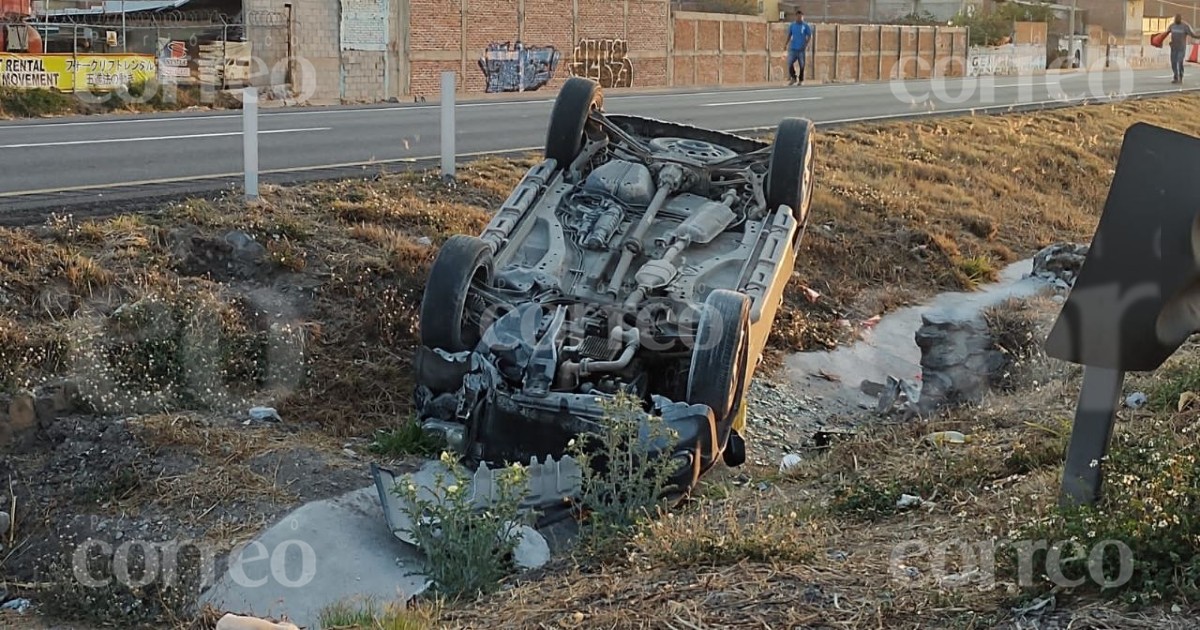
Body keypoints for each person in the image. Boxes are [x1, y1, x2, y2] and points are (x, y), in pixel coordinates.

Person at [1164, 14, 1199, 83]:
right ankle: (1175, 77)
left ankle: (1181, 76)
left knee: (1179, 61)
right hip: (1173, 47)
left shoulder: (1185, 26)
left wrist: (1198, 37)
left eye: (1178, 18)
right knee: (1173, 62)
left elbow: (1192, 35)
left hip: (1181, 48)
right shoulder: (1172, 26)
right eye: (1175, 19)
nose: (1176, 20)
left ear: (1181, 19)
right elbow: (1166, 34)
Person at [786, 10, 813, 86]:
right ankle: (793, 77)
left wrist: (806, 44)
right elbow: (789, 35)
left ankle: (801, 80)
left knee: (802, 65)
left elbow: (810, 35)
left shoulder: (805, 26)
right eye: (798, 16)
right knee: (789, 62)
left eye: (801, 17)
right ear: (796, 17)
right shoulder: (792, 25)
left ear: (803, 17)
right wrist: (786, 44)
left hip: (801, 49)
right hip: (793, 48)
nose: (800, 18)